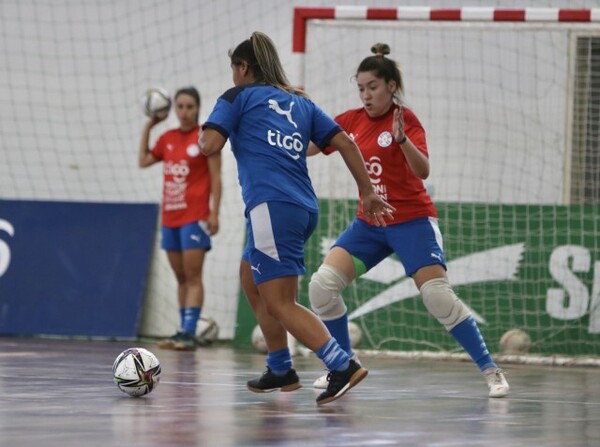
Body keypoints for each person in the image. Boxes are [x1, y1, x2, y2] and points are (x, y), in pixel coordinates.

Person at [198, 31, 394, 405]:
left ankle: (342, 364)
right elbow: (345, 143)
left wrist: (201, 134)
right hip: (302, 208)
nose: (232, 76)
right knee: (250, 277)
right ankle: (280, 368)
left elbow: (209, 144)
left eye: (233, 69)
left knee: (280, 301)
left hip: (272, 208)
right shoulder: (300, 103)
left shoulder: (237, 96)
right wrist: (368, 191)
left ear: (242, 68)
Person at [307, 43, 510, 398]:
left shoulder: (405, 120)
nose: (366, 95)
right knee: (322, 286)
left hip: (411, 222)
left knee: (437, 297)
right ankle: (342, 366)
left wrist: (402, 142)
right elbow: (310, 146)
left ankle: (491, 370)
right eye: (361, 88)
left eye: (373, 87)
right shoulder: (350, 120)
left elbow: (423, 169)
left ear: (390, 86)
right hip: (370, 226)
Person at [138, 86, 222, 351]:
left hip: (195, 216)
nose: (185, 112)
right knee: (181, 277)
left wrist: (214, 212)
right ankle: (182, 330)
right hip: (170, 217)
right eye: (180, 107)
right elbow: (143, 161)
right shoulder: (167, 138)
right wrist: (149, 126)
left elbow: (217, 178)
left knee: (193, 275)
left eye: (190, 107)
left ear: (198, 108)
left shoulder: (205, 138)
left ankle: (188, 332)